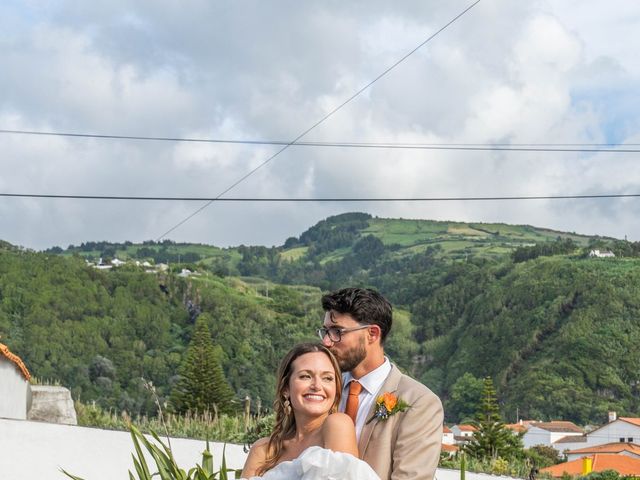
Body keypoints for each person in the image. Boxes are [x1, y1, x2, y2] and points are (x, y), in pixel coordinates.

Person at [318, 287, 444, 480]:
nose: (327, 341)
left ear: (373, 334)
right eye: (325, 331)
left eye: (337, 331)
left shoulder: (419, 403)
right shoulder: (322, 391)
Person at [241, 342, 380, 480]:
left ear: (336, 389)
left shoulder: (337, 425)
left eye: (327, 378)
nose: (317, 386)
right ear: (286, 389)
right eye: (305, 376)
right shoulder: (263, 450)